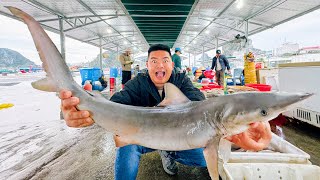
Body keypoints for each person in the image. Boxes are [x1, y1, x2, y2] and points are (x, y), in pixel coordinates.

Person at [59, 44, 272, 179]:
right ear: (147, 65)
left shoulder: (181, 80)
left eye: (165, 60)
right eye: (154, 61)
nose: (159, 65)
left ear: (172, 64)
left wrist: (234, 128)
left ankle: (168, 153)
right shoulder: (137, 83)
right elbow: (113, 106)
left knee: (203, 157)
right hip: (142, 138)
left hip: (181, 139)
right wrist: (83, 107)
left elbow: (199, 103)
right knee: (126, 147)